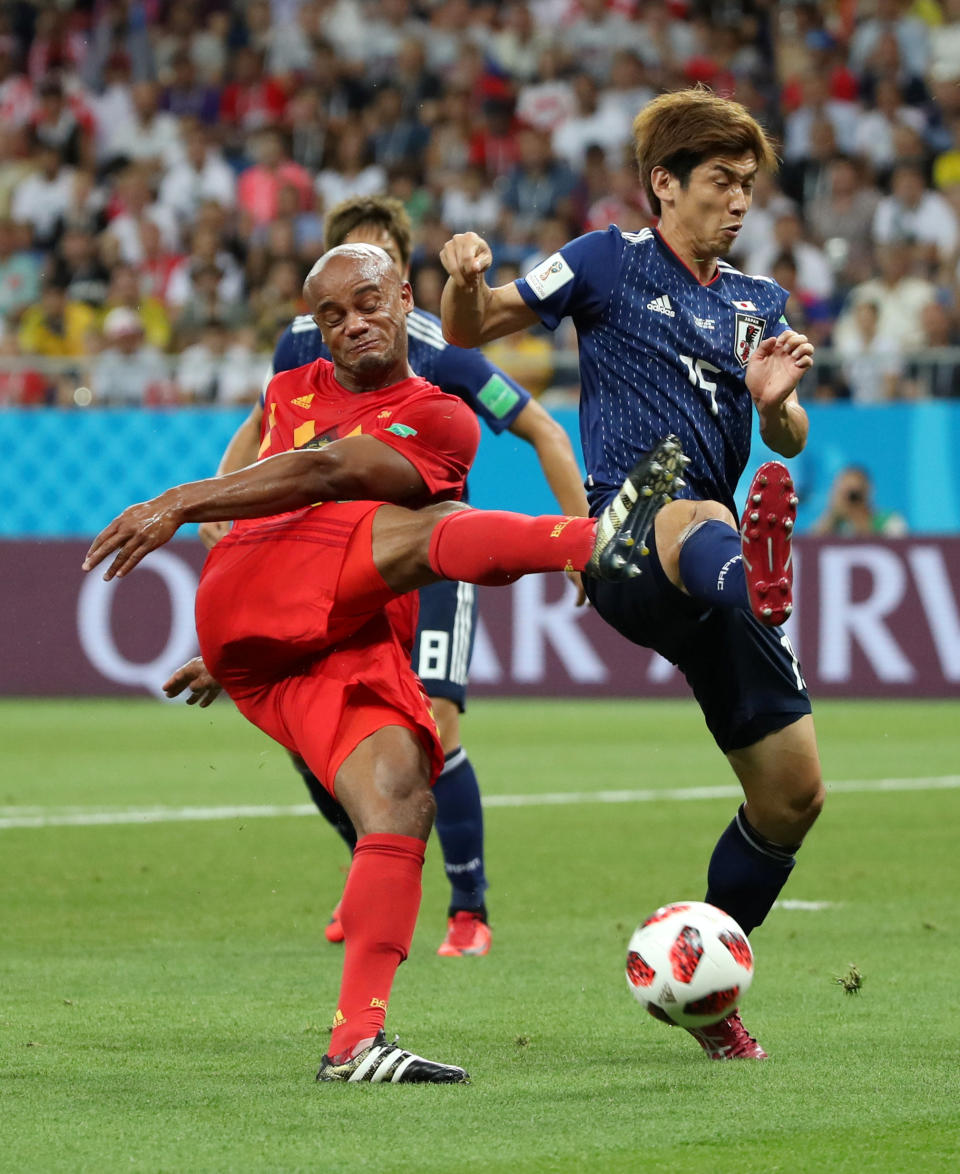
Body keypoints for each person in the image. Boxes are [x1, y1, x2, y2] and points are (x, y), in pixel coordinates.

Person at [83, 242, 686, 1083]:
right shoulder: (289, 390)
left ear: (407, 299)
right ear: (316, 329)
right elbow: (286, 497)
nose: (352, 324)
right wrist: (187, 509)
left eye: (368, 302)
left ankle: (354, 1044)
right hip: (259, 603)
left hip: (317, 641)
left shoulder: (443, 414)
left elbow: (332, 469)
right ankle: (596, 542)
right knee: (428, 534)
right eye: (331, 315)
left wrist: (187, 516)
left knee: (402, 797)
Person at [440, 87, 824, 1062]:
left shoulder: (759, 301)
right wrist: (461, 277)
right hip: (624, 525)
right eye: (721, 183)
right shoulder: (608, 258)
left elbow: (785, 435)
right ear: (664, 183)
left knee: (793, 794)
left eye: (749, 186)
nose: (739, 202)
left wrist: (776, 403)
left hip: (713, 557)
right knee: (687, 497)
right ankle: (755, 583)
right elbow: (476, 326)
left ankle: (705, 994)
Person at [199, 195, 589, 958]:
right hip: (335, 562)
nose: (352, 313)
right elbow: (263, 425)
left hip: (433, 557)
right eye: (338, 281)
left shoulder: (444, 354)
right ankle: (374, 867)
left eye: (373, 275)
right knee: (322, 734)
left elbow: (541, 427)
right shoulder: (299, 345)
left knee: (436, 724)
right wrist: (227, 495)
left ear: (401, 278)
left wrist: (578, 535)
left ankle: (468, 911)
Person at [814, 466, 908, 536]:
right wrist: (833, 513)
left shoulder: (890, 521)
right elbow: (810, 548)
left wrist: (859, 517)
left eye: (854, 495)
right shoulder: (835, 525)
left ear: (868, 492)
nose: (850, 500)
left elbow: (898, 548)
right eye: (844, 492)